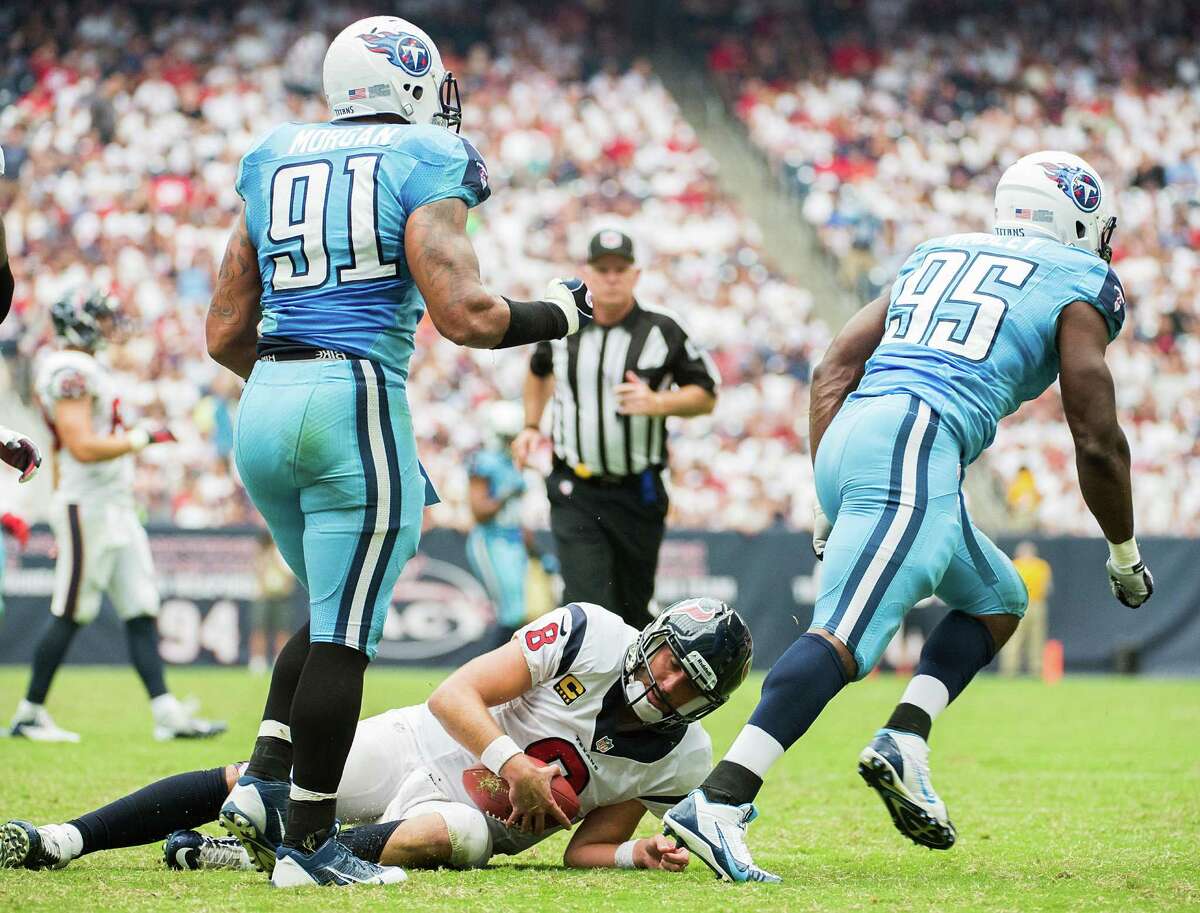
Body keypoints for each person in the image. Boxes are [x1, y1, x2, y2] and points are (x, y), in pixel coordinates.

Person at [663, 150, 1155, 882]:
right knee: (845, 639)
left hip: (858, 432)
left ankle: (906, 738)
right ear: (1079, 216)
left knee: (997, 599)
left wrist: (834, 494)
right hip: (916, 443)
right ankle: (718, 802)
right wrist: (1123, 551)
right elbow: (1095, 432)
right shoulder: (1082, 279)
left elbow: (834, 364)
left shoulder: (937, 252)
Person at [205, 16, 594, 888]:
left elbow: (226, 328)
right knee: (346, 631)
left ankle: (263, 784)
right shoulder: (423, 157)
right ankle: (306, 843)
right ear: (408, 78)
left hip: (264, 399)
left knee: (329, 602)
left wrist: (287, 388)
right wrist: (560, 314)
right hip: (352, 392)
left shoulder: (273, 153)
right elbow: (468, 315)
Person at [1, 598, 753, 881]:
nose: (666, 684)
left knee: (444, 831)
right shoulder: (588, 633)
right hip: (424, 740)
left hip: (475, 817)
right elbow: (452, 693)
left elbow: (583, 847)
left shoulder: (684, 754)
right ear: (650, 637)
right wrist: (514, 761)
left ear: (708, 700)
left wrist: (634, 851)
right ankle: (65, 836)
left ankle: (284, 854)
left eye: (689, 684)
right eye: (666, 660)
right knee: (255, 781)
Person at [8, 289, 225, 744]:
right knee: (71, 610)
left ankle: (166, 713)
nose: (110, 328)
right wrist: (144, 437)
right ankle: (29, 713)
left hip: (113, 506)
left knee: (141, 607)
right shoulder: (70, 369)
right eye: (102, 319)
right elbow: (82, 446)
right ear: (82, 323)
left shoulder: (84, 367)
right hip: (89, 506)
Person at [513, 228, 720, 629]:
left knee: (632, 609)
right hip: (576, 487)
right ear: (588, 272)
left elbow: (706, 394)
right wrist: (530, 425)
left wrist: (659, 403)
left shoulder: (663, 330)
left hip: (637, 491)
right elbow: (538, 371)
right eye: (602, 269)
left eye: (620, 269)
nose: (611, 277)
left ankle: (625, 692)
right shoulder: (564, 325)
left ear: (635, 275)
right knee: (588, 607)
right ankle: (584, 690)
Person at [466, 401, 531, 648]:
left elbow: (516, 515)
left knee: (519, 611)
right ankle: (488, 672)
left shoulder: (510, 462)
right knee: (511, 612)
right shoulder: (485, 461)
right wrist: (506, 493)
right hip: (491, 539)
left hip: (511, 540)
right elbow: (479, 511)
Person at [1000, 541, 1053, 677]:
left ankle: (1036, 669)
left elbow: (1047, 585)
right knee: (1014, 637)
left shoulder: (1041, 566)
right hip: (1019, 604)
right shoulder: (1014, 565)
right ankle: (1009, 669)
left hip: (1036, 603)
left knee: (1037, 638)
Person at [248, 531, 297, 674]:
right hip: (262, 596)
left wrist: (274, 556)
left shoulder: (283, 552)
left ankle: (280, 661)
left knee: (282, 630)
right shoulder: (261, 553)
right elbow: (258, 571)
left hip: (282, 596)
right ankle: (258, 662)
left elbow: (288, 575)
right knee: (259, 628)